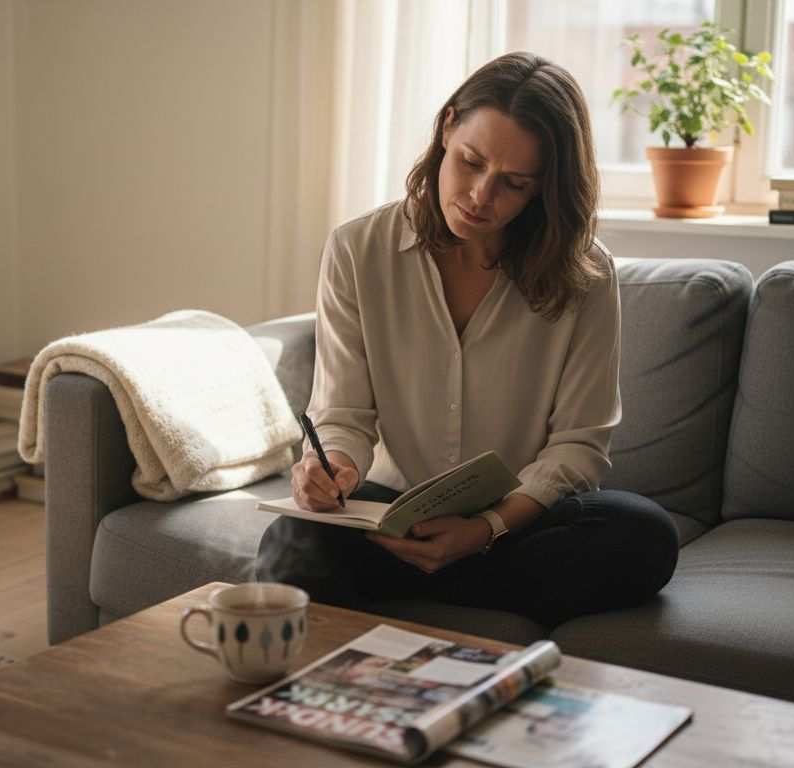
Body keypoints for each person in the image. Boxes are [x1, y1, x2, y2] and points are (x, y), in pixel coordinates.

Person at [255, 52, 680, 628]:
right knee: (292, 539)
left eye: (514, 183)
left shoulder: (589, 276)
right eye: (470, 162)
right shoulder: (359, 250)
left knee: (642, 533)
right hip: (390, 521)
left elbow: (579, 446)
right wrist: (334, 469)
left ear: (544, 189)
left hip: (513, 525)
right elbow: (343, 415)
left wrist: (485, 529)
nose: (481, 196)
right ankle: (441, 598)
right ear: (447, 127)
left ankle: (421, 594)